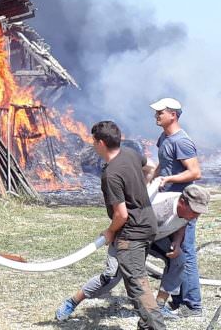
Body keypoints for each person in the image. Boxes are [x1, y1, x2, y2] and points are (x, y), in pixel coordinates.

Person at [60, 121, 165, 328]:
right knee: (129, 278)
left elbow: (121, 214)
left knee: (137, 286)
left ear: (100, 143)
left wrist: (109, 232)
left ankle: (156, 327)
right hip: (147, 225)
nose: (92, 145)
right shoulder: (130, 153)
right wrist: (145, 184)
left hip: (132, 233)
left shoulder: (111, 174)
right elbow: (151, 166)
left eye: (93, 141)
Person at [55, 184, 211, 321]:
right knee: (111, 277)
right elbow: (127, 226)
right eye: (195, 211)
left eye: (199, 212)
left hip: (153, 236)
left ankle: (159, 306)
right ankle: (72, 302)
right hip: (128, 236)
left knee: (179, 260)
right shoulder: (157, 210)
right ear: (182, 202)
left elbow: (182, 224)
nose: (196, 216)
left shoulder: (189, 212)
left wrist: (176, 243)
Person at [149, 97, 203, 317]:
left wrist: (169, 178)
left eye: (160, 112)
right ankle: (178, 299)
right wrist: (153, 177)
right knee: (174, 253)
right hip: (169, 205)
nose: (156, 115)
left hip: (184, 207)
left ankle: (193, 305)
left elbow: (195, 172)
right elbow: (163, 162)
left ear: (173, 115)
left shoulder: (182, 141)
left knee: (186, 253)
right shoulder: (164, 137)